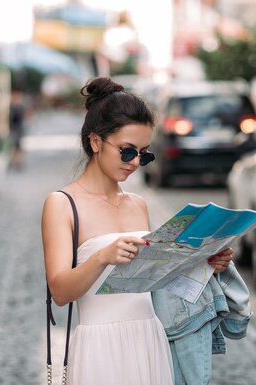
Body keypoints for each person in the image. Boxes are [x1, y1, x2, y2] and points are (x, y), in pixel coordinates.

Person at [41, 77, 233, 385]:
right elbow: (60, 292)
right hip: (99, 348)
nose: (135, 163)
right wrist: (102, 257)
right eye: (127, 151)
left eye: (144, 154)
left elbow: (158, 282)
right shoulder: (62, 204)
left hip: (149, 339)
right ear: (95, 141)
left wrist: (205, 264)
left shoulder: (139, 205)